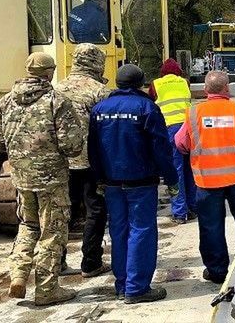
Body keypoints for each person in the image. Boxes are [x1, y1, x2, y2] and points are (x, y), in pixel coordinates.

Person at [0, 53, 83, 306]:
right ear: (50, 72)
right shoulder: (56, 102)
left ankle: (18, 276)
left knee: (28, 226)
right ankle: (46, 289)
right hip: (52, 180)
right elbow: (72, 145)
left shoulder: (5, 102)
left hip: (21, 178)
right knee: (52, 233)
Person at [88, 64, 179, 303]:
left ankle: (122, 284)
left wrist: (98, 178)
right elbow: (161, 150)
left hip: (111, 182)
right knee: (142, 230)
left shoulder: (99, 110)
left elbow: (93, 149)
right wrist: (172, 180)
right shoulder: (147, 108)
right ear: (141, 84)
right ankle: (137, 288)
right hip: (141, 182)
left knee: (118, 231)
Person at [174, 70, 235, 284]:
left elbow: (180, 143)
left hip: (206, 181)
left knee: (211, 226)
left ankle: (216, 271)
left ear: (205, 90)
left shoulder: (194, 114)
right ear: (227, 89)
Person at [55, 43, 111, 278]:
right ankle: (91, 262)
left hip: (62, 163)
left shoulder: (56, 89)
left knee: (61, 213)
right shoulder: (99, 91)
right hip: (91, 162)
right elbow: (107, 129)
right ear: (98, 63)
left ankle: (57, 261)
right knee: (95, 211)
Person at [148, 58, 196, 224]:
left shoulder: (156, 84)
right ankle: (193, 207)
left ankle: (179, 212)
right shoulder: (185, 82)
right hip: (188, 129)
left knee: (175, 171)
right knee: (190, 169)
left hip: (169, 130)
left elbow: (151, 104)